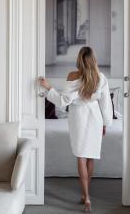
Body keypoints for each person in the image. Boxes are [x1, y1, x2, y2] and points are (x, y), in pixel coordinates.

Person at [40, 46, 113, 213]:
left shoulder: (73, 76)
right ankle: (84, 194)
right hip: (95, 117)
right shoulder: (100, 78)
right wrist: (105, 123)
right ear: (93, 59)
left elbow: (63, 101)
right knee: (91, 157)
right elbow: (105, 104)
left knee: (81, 156)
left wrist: (48, 87)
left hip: (78, 118)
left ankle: (86, 197)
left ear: (79, 59)